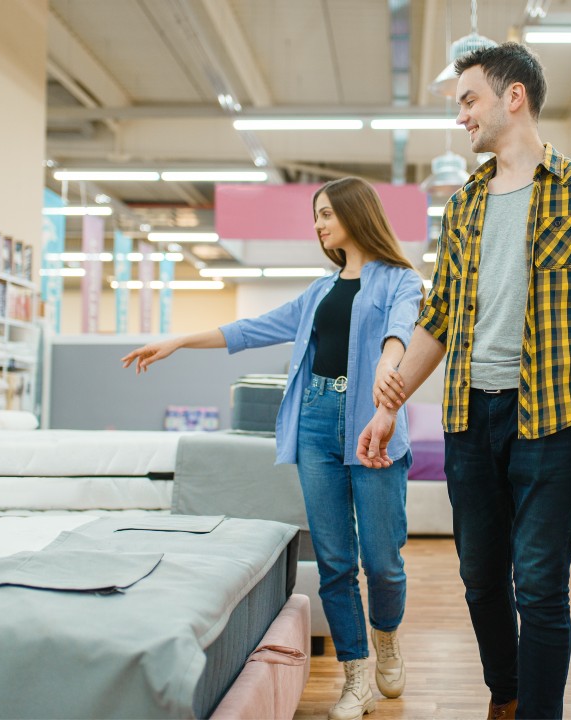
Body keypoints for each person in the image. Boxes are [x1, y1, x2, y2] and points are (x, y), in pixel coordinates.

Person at [357, 42, 571, 720]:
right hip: (468, 418)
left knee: (540, 584)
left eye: (467, 99)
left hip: (551, 419)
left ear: (512, 97)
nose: (460, 116)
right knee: (480, 579)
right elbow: (438, 319)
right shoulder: (462, 207)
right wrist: (389, 403)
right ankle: (505, 696)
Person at [122, 177, 423, 720]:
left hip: (372, 427)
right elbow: (253, 329)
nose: (319, 224)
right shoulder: (318, 292)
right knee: (334, 561)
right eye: (317, 216)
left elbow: (401, 330)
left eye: (327, 213)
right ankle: (355, 679)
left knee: (382, 561)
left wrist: (387, 363)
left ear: (357, 213)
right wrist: (179, 340)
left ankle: (388, 638)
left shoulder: (400, 280)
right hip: (314, 424)